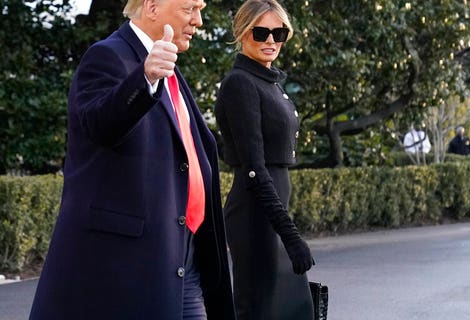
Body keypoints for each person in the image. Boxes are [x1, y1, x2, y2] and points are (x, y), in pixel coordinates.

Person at [29, 1, 234, 319]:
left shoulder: (169, 67)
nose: (199, 21)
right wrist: (145, 77)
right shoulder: (109, 55)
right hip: (129, 268)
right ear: (153, 7)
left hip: (183, 260)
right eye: (189, 9)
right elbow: (100, 123)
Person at [214, 0, 315, 319]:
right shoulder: (240, 84)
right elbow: (256, 170)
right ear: (243, 33)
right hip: (254, 215)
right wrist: (291, 236)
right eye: (261, 32)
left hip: (273, 212)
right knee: (261, 308)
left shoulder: (271, 83)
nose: (271, 40)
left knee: (293, 308)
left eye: (279, 33)